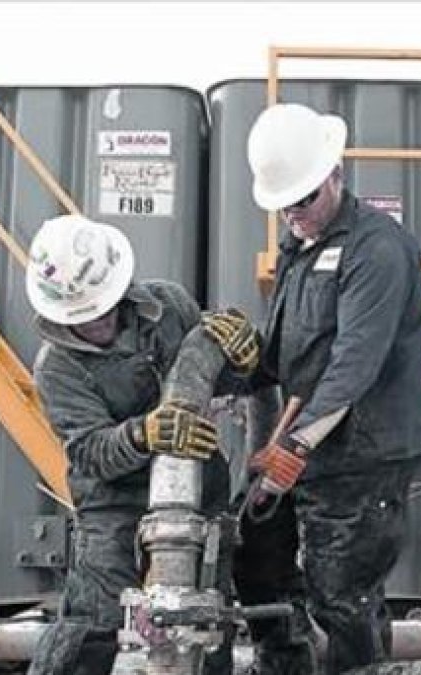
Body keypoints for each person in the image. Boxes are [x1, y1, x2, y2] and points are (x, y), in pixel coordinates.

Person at [235, 103, 421, 674]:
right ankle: (287, 665)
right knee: (255, 555)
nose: (294, 213)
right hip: (311, 444)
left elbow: (354, 363)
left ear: (335, 175)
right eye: (284, 205)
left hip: (363, 453)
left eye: (305, 199)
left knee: (342, 591)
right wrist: (228, 366)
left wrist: (294, 446)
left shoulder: (377, 249)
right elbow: (281, 351)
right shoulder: (299, 246)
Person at [23, 214, 259, 675]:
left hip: (198, 495)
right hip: (115, 505)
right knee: (93, 625)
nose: (99, 321)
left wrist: (244, 360)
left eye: (104, 307)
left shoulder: (168, 305)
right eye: (85, 316)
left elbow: (211, 377)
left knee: (207, 618)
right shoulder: (57, 368)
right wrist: (145, 434)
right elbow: (90, 452)